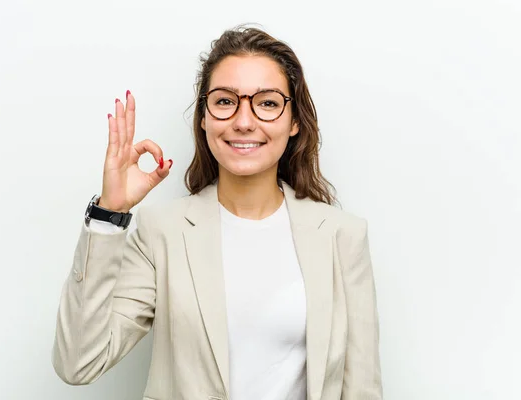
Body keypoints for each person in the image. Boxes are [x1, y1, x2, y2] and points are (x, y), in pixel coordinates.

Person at [52, 25, 383, 400]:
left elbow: (362, 389)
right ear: (204, 118)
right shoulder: (162, 233)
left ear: (294, 122)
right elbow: (78, 363)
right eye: (225, 101)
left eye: (268, 102)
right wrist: (109, 215)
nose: (243, 121)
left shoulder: (342, 237)